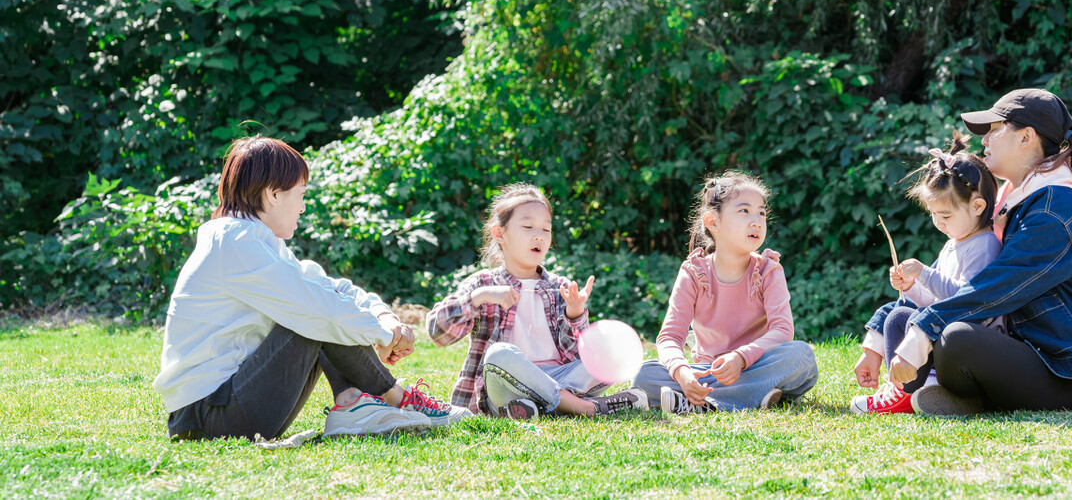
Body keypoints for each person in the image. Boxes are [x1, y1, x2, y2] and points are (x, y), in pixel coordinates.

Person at [153, 136, 470, 440]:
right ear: (273, 194)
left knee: (316, 306)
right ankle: (395, 398)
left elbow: (332, 288)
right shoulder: (235, 241)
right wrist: (385, 337)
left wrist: (384, 318)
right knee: (311, 315)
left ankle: (352, 402)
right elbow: (315, 306)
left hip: (228, 405)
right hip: (210, 416)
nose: (303, 207)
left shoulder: (259, 240)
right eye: (300, 194)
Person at [887, 88, 1072, 415]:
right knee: (918, 321)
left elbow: (996, 286)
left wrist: (923, 331)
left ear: (1026, 137)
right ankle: (959, 398)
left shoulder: (1055, 210)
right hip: (1022, 349)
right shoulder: (1015, 200)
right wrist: (880, 335)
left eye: (993, 131)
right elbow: (943, 281)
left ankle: (967, 397)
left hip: (1062, 369)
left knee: (955, 338)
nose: (983, 141)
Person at [426, 183, 648, 420]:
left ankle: (537, 406)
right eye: (528, 227)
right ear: (500, 234)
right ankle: (587, 407)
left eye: (546, 229)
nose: (538, 236)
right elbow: (438, 332)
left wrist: (575, 313)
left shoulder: (558, 286)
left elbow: (575, 355)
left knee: (609, 348)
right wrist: (480, 297)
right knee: (499, 354)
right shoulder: (483, 284)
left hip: (560, 378)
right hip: (508, 384)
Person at [631, 171, 819, 414]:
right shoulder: (693, 272)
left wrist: (741, 358)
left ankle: (706, 402)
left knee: (800, 356)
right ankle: (751, 395)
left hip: (757, 364)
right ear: (713, 222)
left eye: (761, 212)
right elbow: (669, 337)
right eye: (744, 211)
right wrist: (683, 373)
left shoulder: (769, 270)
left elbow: (782, 332)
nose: (756, 221)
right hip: (708, 370)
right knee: (643, 374)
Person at [850, 133, 1001, 415]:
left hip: (968, 340)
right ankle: (908, 389)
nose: (939, 223)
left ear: (978, 206)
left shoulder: (984, 245)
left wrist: (925, 272)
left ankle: (912, 390)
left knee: (908, 318)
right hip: (943, 333)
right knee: (898, 315)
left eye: (946, 216)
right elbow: (932, 300)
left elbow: (965, 300)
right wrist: (912, 286)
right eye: (933, 215)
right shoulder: (953, 243)